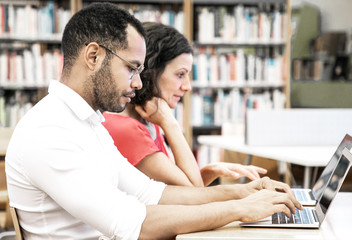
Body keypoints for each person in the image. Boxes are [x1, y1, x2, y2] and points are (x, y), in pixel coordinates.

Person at [5, 3, 302, 240]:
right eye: (132, 68)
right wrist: (239, 208)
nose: (138, 84)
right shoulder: (48, 132)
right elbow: (133, 224)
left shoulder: (88, 123)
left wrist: (242, 192)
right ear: (93, 56)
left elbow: (153, 194)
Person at [103, 22, 267, 187]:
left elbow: (179, 188)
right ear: (150, 72)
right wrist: (171, 124)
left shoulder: (150, 118)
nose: (187, 86)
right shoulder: (127, 129)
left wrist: (210, 171)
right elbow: (193, 193)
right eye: (180, 74)